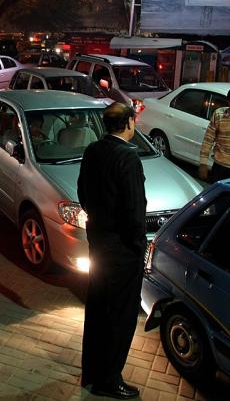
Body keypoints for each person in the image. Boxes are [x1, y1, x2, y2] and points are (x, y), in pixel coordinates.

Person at [77, 103, 146, 399]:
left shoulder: (93, 150)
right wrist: (138, 246)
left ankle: (91, 372)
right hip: (121, 250)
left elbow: (82, 192)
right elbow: (133, 210)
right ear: (129, 123)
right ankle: (110, 378)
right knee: (120, 316)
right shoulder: (128, 157)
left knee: (97, 310)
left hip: (98, 242)